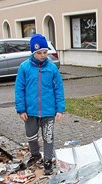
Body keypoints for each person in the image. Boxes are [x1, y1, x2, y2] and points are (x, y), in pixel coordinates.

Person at [14, 34, 65, 175]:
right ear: (33, 52)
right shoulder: (24, 68)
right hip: (30, 111)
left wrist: (60, 109)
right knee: (31, 135)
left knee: (48, 137)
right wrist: (21, 109)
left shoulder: (52, 68)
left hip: (49, 111)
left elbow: (58, 88)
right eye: (39, 53)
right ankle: (35, 154)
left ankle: (48, 161)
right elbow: (19, 89)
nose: (43, 55)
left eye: (45, 52)